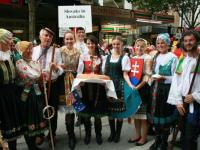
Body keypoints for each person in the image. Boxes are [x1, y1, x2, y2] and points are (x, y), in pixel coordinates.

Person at [167, 30, 200, 150]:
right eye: (185, 41)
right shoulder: (182, 59)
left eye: (191, 40)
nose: (188, 43)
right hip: (182, 102)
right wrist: (178, 102)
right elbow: (176, 82)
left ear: (196, 41)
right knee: (183, 132)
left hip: (195, 104)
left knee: (191, 135)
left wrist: (195, 96)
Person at [32, 27, 63, 146]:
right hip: (38, 85)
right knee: (39, 110)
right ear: (40, 37)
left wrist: (55, 67)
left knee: (51, 110)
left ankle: (51, 135)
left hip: (52, 84)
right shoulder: (33, 50)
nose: (48, 38)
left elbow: (61, 70)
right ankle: (39, 134)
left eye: (50, 36)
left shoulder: (56, 50)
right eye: (46, 35)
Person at [147, 33, 178, 150]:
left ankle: (164, 142)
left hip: (166, 91)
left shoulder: (173, 57)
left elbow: (176, 78)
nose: (160, 45)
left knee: (164, 117)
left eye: (162, 43)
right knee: (155, 118)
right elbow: (152, 73)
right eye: (158, 43)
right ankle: (157, 140)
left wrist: (165, 78)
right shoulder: (156, 56)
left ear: (168, 44)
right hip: (155, 89)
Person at [77, 35, 108, 145]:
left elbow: (104, 73)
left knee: (97, 114)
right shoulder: (83, 56)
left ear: (96, 44)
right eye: (88, 43)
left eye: (92, 43)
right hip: (86, 87)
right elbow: (79, 72)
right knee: (86, 115)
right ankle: (88, 134)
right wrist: (80, 81)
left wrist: (103, 79)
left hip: (98, 89)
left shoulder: (101, 57)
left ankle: (98, 134)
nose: (90, 45)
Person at [15, 41, 46, 150]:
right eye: (26, 49)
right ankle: (31, 146)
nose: (29, 51)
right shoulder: (19, 63)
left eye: (31, 48)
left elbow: (39, 75)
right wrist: (39, 74)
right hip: (25, 95)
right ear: (21, 51)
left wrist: (40, 75)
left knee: (37, 119)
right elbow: (33, 75)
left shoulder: (34, 62)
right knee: (29, 120)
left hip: (36, 93)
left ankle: (34, 144)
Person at [104, 36, 134, 143]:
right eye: (114, 44)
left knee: (119, 111)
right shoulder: (107, 57)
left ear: (122, 44)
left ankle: (117, 134)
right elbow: (105, 73)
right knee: (111, 111)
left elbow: (125, 74)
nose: (116, 46)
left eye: (118, 44)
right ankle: (112, 133)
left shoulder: (125, 58)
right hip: (109, 86)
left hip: (119, 86)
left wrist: (130, 85)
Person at [0, 28, 25, 150]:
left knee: (13, 125)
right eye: (8, 41)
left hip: (12, 93)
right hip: (1, 95)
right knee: (4, 126)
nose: (11, 43)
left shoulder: (10, 55)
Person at [58, 31, 80, 150]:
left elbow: (81, 67)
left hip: (75, 82)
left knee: (76, 106)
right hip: (64, 83)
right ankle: (71, 135)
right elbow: (56, 65)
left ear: (74, 40)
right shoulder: (59, 51)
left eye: (71, 39)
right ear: (64, 40)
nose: (69, 41)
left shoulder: (79, 52)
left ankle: (75, 131)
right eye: (67, 39)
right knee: (69, 109)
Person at [128, 38, 152, 146]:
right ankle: (137, 135)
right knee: (136, 114)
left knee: (143, 116)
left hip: (143, 89)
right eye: (137, 45)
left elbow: (147, 76)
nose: (139, 48)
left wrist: (137, 87)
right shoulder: (132, 58)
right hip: (134, 87)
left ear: (146, 47)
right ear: (134, 46)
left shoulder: (148, 58)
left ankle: (143, 137)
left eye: (142, 46)